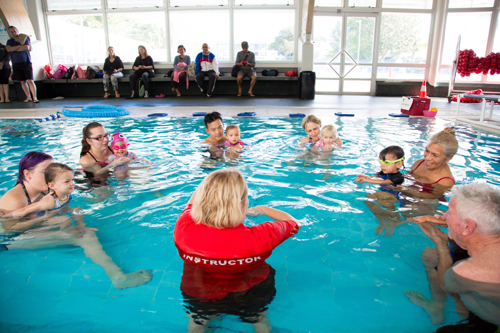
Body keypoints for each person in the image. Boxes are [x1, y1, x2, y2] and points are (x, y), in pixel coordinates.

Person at [0, 152, 152, 289]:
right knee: (85, 236)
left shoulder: (43, 192)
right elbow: (11, 230)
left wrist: (78, 222)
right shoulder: (15, 198)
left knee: (77, 227)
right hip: (8, 241)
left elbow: (62, 208)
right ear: (27, 174)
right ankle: (118, 278)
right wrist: (49, 219)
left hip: (28, 231)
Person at [174, 168, 301, 332]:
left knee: (196, 324)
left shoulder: (184, 227)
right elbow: (295, 223)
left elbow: (192, 202)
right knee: (259, 320)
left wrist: (214, 182)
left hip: (200, 292)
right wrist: (262, 209)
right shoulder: (262, 235)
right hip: (251, 290)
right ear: (243, 204)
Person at [406, 183, 500, 331]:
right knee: (431, 256)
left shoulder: (468, 271)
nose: (444, 216)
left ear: (467, 227)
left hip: (491, 325)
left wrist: (440, 243)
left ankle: (442, 308)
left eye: (449, 212)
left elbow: (446, 283)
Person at [365, 128, 459, 236]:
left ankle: (392, 220)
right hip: (408, 194)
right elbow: (405, 177)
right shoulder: (419, 163)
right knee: (371, 198)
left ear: (449, 158)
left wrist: (407, 190)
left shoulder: (446, 181)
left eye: (435, 155)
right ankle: (389, 220)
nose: (428, 158)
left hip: (424, 204)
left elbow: (431, 197)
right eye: (427, 151)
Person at [6, 163, 74, 218]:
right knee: (65, 220)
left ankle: (80, 230)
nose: (72, 183)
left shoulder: (66, 193)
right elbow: (24, 210)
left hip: (55, 214)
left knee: (77, 210)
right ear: (52, 186)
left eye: (72, 180)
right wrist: (5, 217)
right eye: (67, 181)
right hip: (39, 220)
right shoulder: (49, 201)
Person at [5, 26, 38, 103]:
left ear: (17, 31)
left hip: (26, 62)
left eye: (14, 31)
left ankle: (34, 97)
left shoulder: (24, 38)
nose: (13, 33)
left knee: (30, 80)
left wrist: (15, 48)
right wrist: (19, 47)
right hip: (16, 63)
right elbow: (9, 49)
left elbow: (26, 47)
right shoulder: (9, 41)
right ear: (9, 33)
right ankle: (28, 97)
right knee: (22, 81)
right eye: (11, 32)